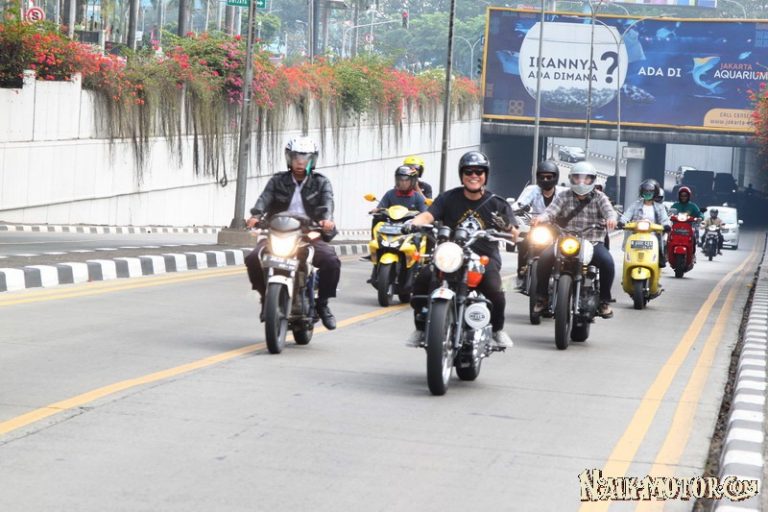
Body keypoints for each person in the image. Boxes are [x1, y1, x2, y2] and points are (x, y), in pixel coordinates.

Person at [404, 151, 518, 349]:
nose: (474, 176)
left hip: (483, 258)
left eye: (479, 172)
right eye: (468, 172)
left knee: (495, 290)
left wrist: (507, 226)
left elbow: (514, 234)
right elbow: (428, 216)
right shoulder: (448, 198)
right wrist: (413, 223)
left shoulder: (497, 203)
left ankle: (498, 330)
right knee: (422, 280)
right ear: (461, 174)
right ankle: (421, 328)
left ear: (485, 175)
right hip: (450, 255)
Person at [244, 136, 341, 330]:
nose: (300, 162)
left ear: (313, 160)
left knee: (331, 261)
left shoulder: (321, 183)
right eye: (296, 157)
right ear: (289, 158)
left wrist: (326, 220)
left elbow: (327, 203)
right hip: (277, 231)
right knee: (253, 258)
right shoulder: (277, 180)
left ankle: (322, 304)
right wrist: (255, 216)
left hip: (308, 233)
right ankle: (265, 299)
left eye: (305, 158)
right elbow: (264, 199)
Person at [532, 161, 618, 318]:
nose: (581, 182)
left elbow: (609, 212)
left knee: (607, 262)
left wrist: (611, 219)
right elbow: (550, 211)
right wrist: (541, 218)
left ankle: (604, 301)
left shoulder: (600, 197)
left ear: (592, 180)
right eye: (577, 178)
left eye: (586, 178)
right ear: (572, 179)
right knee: (544, 258)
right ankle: (542, 298)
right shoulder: (563, 196)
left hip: (592, 241)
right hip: (565, 239)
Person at [513, 160, 568, 286]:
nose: (545, 179)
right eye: (542, 176)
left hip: (557, 228)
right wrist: (513, 210)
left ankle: (563, 274)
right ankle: (521, 274)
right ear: (537, 177)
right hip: (538, 227)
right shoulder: (532, 190)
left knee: (566, 249)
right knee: (523, 244)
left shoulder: (563, 193)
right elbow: (519, 204)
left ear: (555, 177)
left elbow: (571, 205)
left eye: (549, 177)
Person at [619, 179, 671, 267]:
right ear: (642, 192)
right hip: (635, 235)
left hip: (653, 236)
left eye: (650, 191)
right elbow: (627, 215)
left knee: (659, 254)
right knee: (629, 256)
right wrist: (621, 222)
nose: (647, 193)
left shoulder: (660, 207)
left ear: (655, 193)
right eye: (645, 191)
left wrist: (666, 225)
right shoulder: (635, 205)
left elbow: (664, 219)